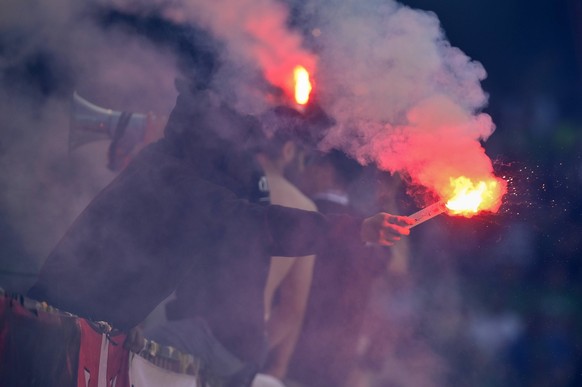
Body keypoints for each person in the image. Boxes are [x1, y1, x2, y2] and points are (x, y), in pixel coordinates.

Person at [27, 51, 413, 387]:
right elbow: (258, 224)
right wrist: (356, 228)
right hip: (60, 327)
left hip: (80, 324)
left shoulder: (173, 164)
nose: (248, 147)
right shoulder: (183, 180)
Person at [286, 150, 391, 387]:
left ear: (326, 170)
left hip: (289, 356)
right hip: (336, 366)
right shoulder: (372, 230)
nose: (303, 171)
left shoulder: (300, 215)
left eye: (308, 162)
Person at [257, 107, 317, 381]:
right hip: (242, 341)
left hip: (178, 326)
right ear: (288, 151)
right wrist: (267, 358)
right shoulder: (304, 208)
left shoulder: (221, 182)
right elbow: (293, 307)